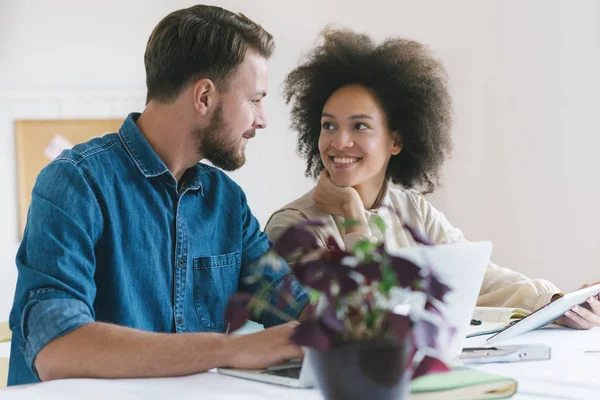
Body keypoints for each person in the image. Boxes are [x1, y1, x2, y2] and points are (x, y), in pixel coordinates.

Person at [8, 5, 308, 386]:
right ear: (204, 97)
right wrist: (232, 349)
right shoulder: (74, 183)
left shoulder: (227, 202)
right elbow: (58, 348)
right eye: (254, 99)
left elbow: (294, 304)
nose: (262, 119)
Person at [266, 28, 600, 330]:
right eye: (329, 125)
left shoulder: (413, 210)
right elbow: (362, 317)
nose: (339, 141)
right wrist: (353, 214)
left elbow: (480, 277)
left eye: (360, 126)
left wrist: (556, 303)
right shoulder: (292, 225)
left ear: (396, 141)